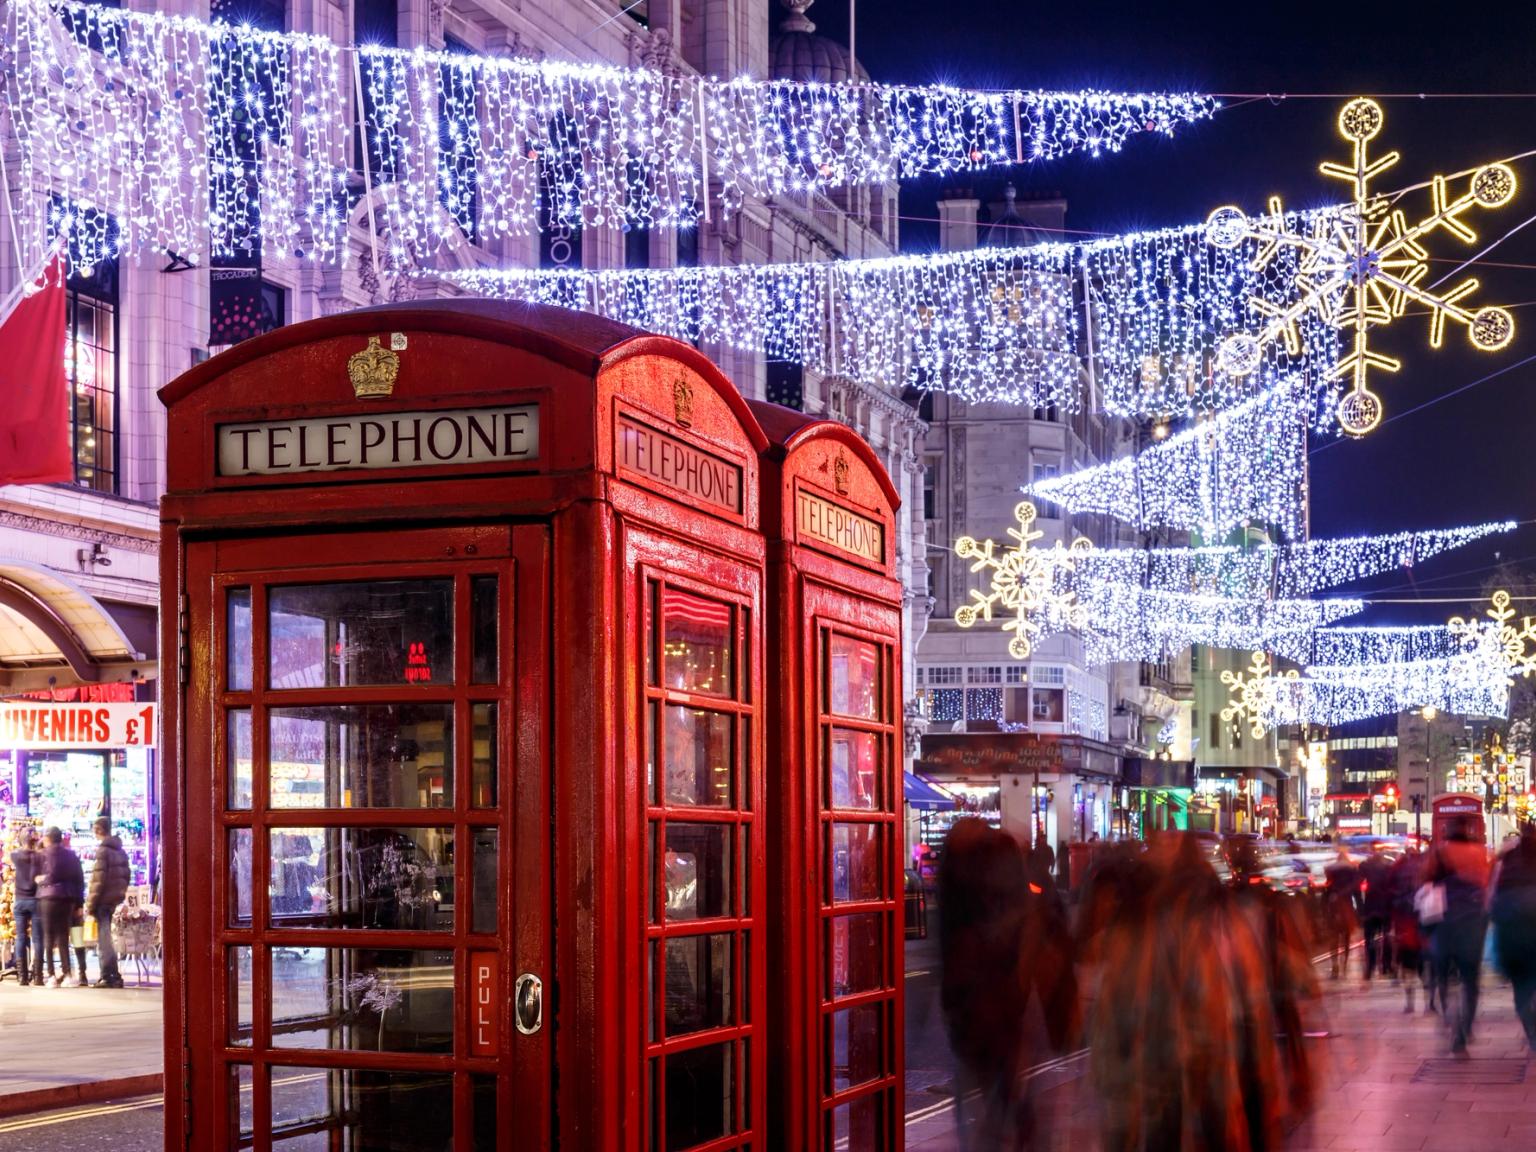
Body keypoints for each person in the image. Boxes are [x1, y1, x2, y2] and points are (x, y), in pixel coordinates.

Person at [1424, 818, 1491, 1055]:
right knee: (1471, 981)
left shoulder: (1439, 852)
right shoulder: (1480, 854)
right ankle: (1464, 1029)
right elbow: (1486, 887)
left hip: (1444, 922)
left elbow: (1423, 882)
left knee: (1443, 977)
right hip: (1472, 923)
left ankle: (1450, 1019)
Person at [1490, 824, 1536, 1048]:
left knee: (1521, 990)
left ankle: (1531, 1032)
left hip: (1513, 937)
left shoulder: (1505, 859)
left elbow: (1491, 901)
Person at [35, 825, 85, 987]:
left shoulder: (42, 855)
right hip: (66, 899)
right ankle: (67, 973)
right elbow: (79, 880)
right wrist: (79, 903)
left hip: (47, 899)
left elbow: (44, 876)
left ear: (47, 838)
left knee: (48, 937)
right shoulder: (71, 856)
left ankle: (51, 976)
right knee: (64, 937)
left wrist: (40, 880)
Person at [87, 817, 131, 989]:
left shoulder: (103, 851)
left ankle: (107, 974)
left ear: (98, 829)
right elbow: (126, 875)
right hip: (113, 900)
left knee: (104, 939)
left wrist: (90, 904)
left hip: (103, 900)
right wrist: (119, 894)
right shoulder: (120, 850)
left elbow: (97, 881)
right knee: (107, 937)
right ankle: (114, 974)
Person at [9, 827, 43, 986]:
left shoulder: (15, 855)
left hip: (20, 900)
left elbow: (15, 851)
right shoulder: (40, 857)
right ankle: (38, 976)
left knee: (21, 937)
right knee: (38, 938)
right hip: (36, 900)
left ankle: (22, 976)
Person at [1357, 843, 1394, 981]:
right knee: (1387, 935)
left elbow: (1358, 883)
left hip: (1371, 905)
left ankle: (1370, 967)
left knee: (1369, 938)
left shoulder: (1365, 866)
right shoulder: (1388, 866)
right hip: (1384, 905)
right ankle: (1386, 964)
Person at [1322, 849, 1360, 979]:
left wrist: (1324, 909)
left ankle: (1335, 965)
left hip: (1334, 905)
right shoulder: (1352, 871)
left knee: (1333, 937)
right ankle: (1344, 962)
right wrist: (1360, 909)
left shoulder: (1331, 871)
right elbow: (1356, 890)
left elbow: (1327, 889)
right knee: (1346, 937)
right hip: (1347, 904)